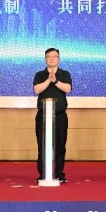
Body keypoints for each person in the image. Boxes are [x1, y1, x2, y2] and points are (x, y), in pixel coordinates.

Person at [33, 48, 72, 183]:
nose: (51, 59)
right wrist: (49, 80)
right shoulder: (39, 74)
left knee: (60, 145)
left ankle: (59, 174)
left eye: (54, 56)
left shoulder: (64, 74)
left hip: (59, 115)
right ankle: (43, 173)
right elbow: (37, 90)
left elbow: (67, 88)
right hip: (43, 116)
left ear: (58, 59)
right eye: (48, 57)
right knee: (42, 145)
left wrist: (55, 81)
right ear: (45, 59)